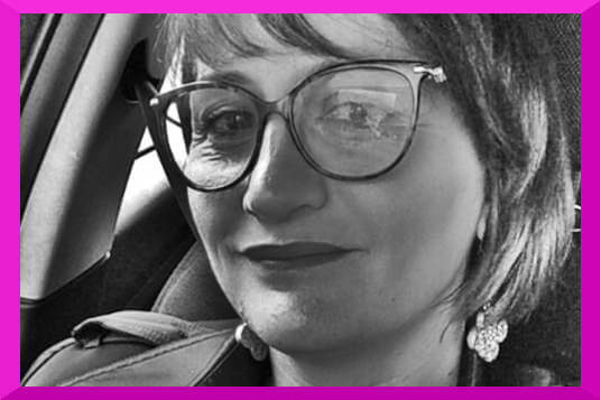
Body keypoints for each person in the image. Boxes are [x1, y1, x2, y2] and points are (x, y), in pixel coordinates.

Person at [23, 14, 577, 386]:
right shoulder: (77, 380)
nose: (267, 191)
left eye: (358, 114)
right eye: (226, 120)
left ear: (502, 178)